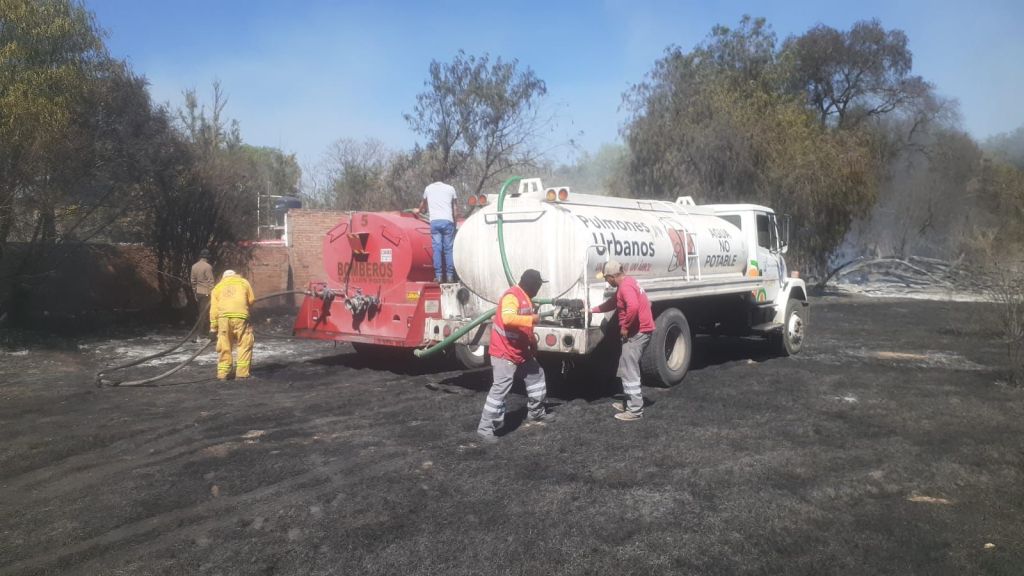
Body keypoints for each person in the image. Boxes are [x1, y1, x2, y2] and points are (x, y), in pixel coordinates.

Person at [477, 269, 554, 443]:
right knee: (501, 388)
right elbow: (508, 319)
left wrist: (532, 341)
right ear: (532, 285)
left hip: (520, 351)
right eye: (539, 285)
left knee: (537, 376)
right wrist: (532, 319)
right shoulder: (512, 296)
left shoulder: (524, 296)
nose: (539, 289)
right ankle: (485, 428)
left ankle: (536, 412)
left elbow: (522, 327)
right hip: (504, 351)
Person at [591, 260, 655, 421]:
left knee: (629, 368)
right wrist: (592, 310)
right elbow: (612, 303)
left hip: (637, 333)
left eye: (606, 278)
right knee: (627, 365)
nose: (606, 281)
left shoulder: (625, 287)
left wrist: (625, 327)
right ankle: (630, 402)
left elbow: (633, 307)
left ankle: (635, 410)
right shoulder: (627, 283)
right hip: (641, 331)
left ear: (612, 276)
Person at [209, 270, 256, 380]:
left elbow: (213, 310)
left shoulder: (217, 287)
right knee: (244, 343)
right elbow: (251, 300)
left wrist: (213, 328)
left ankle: (222, 374)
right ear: (235, 275)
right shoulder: (244, 282)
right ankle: (241, 374)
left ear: (224, 277)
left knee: (224, 345)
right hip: (241, 318)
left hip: (223, 319)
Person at [415, 180, 458, 282]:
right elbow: (455, 208)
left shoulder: (428, 188)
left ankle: (438, 276)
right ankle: (450, 276)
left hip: (434, 222)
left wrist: (418, 210)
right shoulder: (450, 188)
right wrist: (454, 223)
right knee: (448, 250)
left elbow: (423, 204)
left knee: (437, 249)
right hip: (448, 221)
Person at [190, 249, 215, 340]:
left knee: (201, 313)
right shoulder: (208, 267)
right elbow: (210, 281)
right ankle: (201, 334)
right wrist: (213, 293)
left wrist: (194, 293)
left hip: (198, 293)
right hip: (206, 293)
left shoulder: (194, 266)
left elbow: (193, 281)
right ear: (207, 257)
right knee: (205, 314)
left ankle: (201, 333)